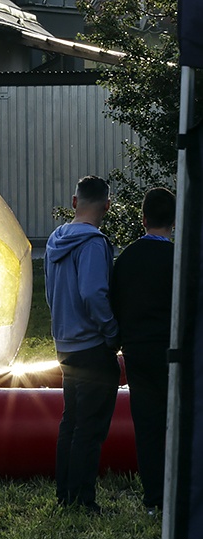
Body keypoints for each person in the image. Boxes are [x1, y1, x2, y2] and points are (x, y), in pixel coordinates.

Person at [45, 175, 121, 513]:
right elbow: (93, 292)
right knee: (90, 428)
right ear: (107, 205)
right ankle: (83, 500)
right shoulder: (93, 244)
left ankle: (65, 494)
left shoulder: (54, 240)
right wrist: (111, 331)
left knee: (71, 421)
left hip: (65, 343)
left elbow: (50, 293)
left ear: (74, 202)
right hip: (92, 344)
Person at [111, 187, 176, 514]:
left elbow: (115, 304)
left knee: (147, 426)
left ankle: (153, 499)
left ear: (143, 218)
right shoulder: (177, 259)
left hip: (137, 352)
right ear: (174, 221)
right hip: (173, 354)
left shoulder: (126, 259)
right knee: (176, 424)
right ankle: (178, 495)